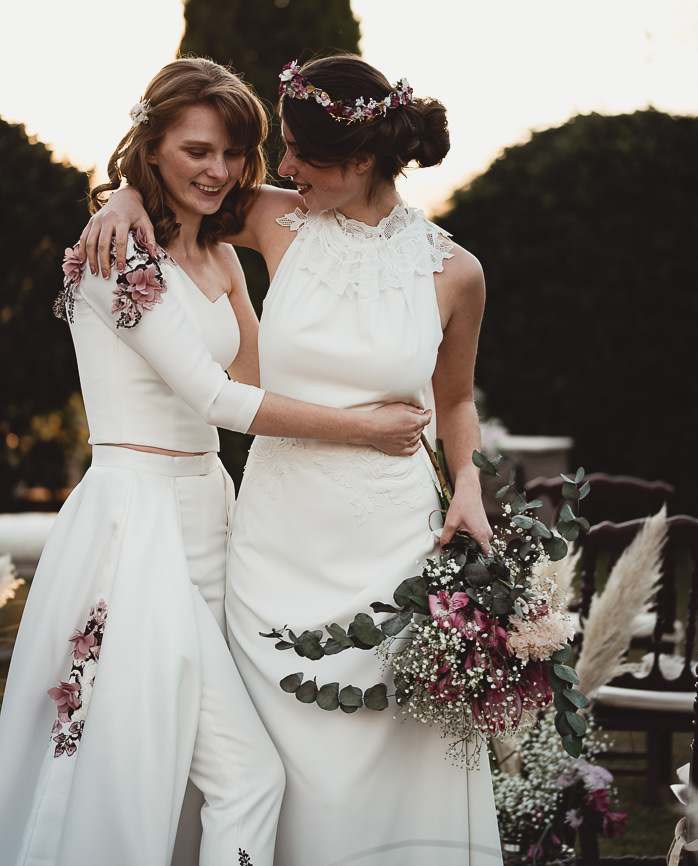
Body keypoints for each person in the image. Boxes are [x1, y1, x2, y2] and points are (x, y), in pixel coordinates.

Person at [0, 58, 431, 866]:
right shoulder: (116, 258)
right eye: (197, 150)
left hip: (216, 518)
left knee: (200, 773)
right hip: (138, 534)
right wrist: (362, 428)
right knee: (246, 776)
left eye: (233, 153)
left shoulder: (222, 257)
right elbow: (218, 400)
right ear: (150, 145)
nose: (219, 170)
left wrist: (385, 362)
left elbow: (267, 377)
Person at [81, 54, 502, 866]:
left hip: (391, 536)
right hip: (278, 537)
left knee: (394, 740)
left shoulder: (456, 274)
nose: (281, 168)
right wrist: (126, 194)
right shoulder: (277, 219)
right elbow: (180, 182)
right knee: (279, 752)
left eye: (303, 156)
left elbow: (455, 402)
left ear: (366, 159)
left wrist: (470, 486)